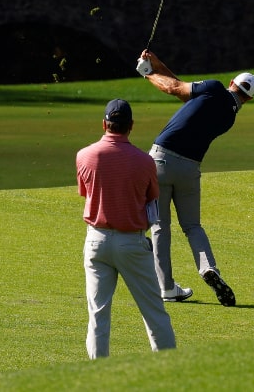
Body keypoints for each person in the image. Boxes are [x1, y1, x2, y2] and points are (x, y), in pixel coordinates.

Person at [138, 49, 254, 306]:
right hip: (190, 169)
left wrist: (147, 73)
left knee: (160, 227)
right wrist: (157, 63)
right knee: (192, 226)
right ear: (248, 99)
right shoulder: (229, 117)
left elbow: (175, 88)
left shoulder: (213, 88)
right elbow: (182, 90)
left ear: (231, 83)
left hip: (161, 160)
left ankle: (166, 288)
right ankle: (208, 268)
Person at [75, 98, 176, 359]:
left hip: (96, 240)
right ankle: (170, 371)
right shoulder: (145, 162)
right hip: (132, 242)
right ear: (131, 126)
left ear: (104, 124)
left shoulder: (84, 155)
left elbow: (85, 192)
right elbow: (150, 197)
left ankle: (100, 378)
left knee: (98, 314)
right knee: (154, 312)